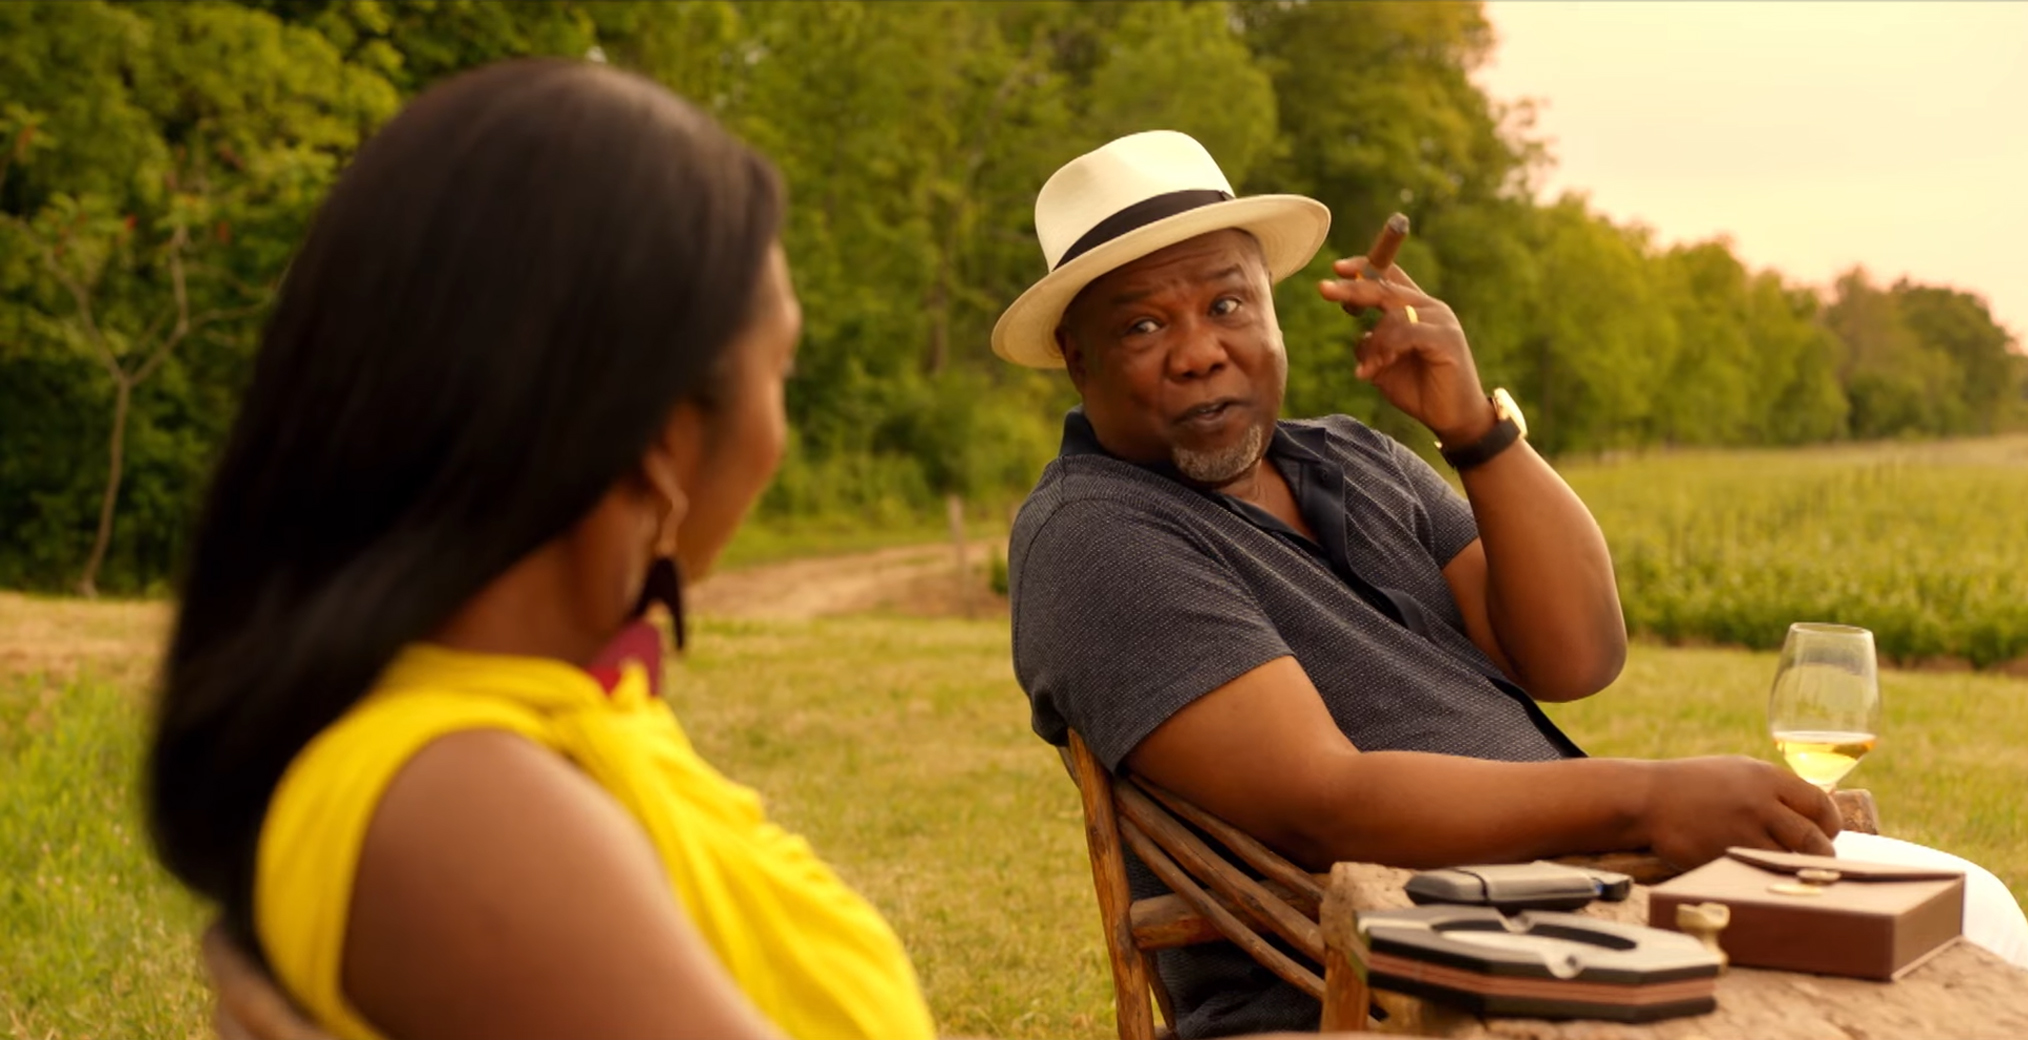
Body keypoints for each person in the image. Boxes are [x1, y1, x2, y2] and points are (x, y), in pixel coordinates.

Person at [996, 130, 2027, 1037]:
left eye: (1228, 302)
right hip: (1383, 965)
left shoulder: (1353, 457)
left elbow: (1575, 652)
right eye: (1143, 327)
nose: (1198, 352)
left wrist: (1475, 430)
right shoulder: (1100, 534)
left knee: (1970, 902)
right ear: (1078, 364)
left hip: (1581, 902)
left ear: (1272, 316)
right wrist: (1653, 795)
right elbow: (1327, 799)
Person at [146, 59, 935, 1040]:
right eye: (784, 367)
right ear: (660, 440)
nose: (784, 428)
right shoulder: (456, 804)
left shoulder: (551, 716)